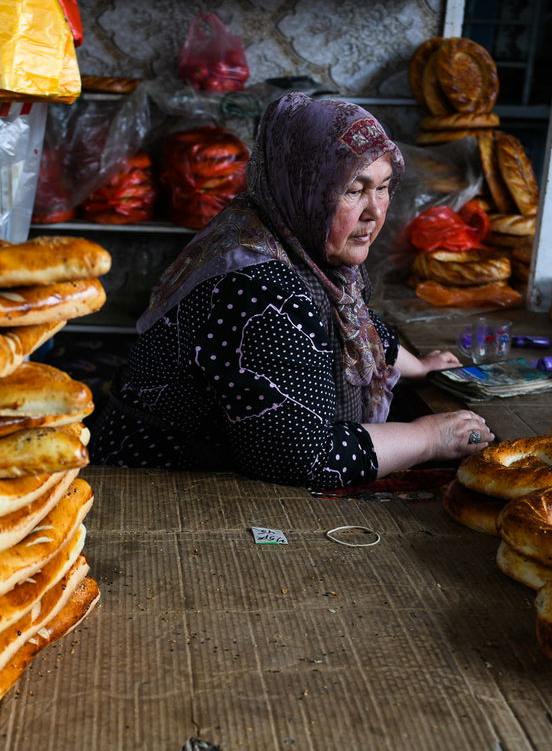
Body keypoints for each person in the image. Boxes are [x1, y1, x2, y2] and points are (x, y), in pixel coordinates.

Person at [89, 93, 493, 490]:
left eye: (384, 187)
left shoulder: (278, 229)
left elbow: (352, 328)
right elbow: (307, 458)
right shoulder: (260, 289)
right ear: (304, 187)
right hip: (162, 483)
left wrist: (416, 366)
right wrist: (428, 437)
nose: (374, 211)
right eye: (354, 190)